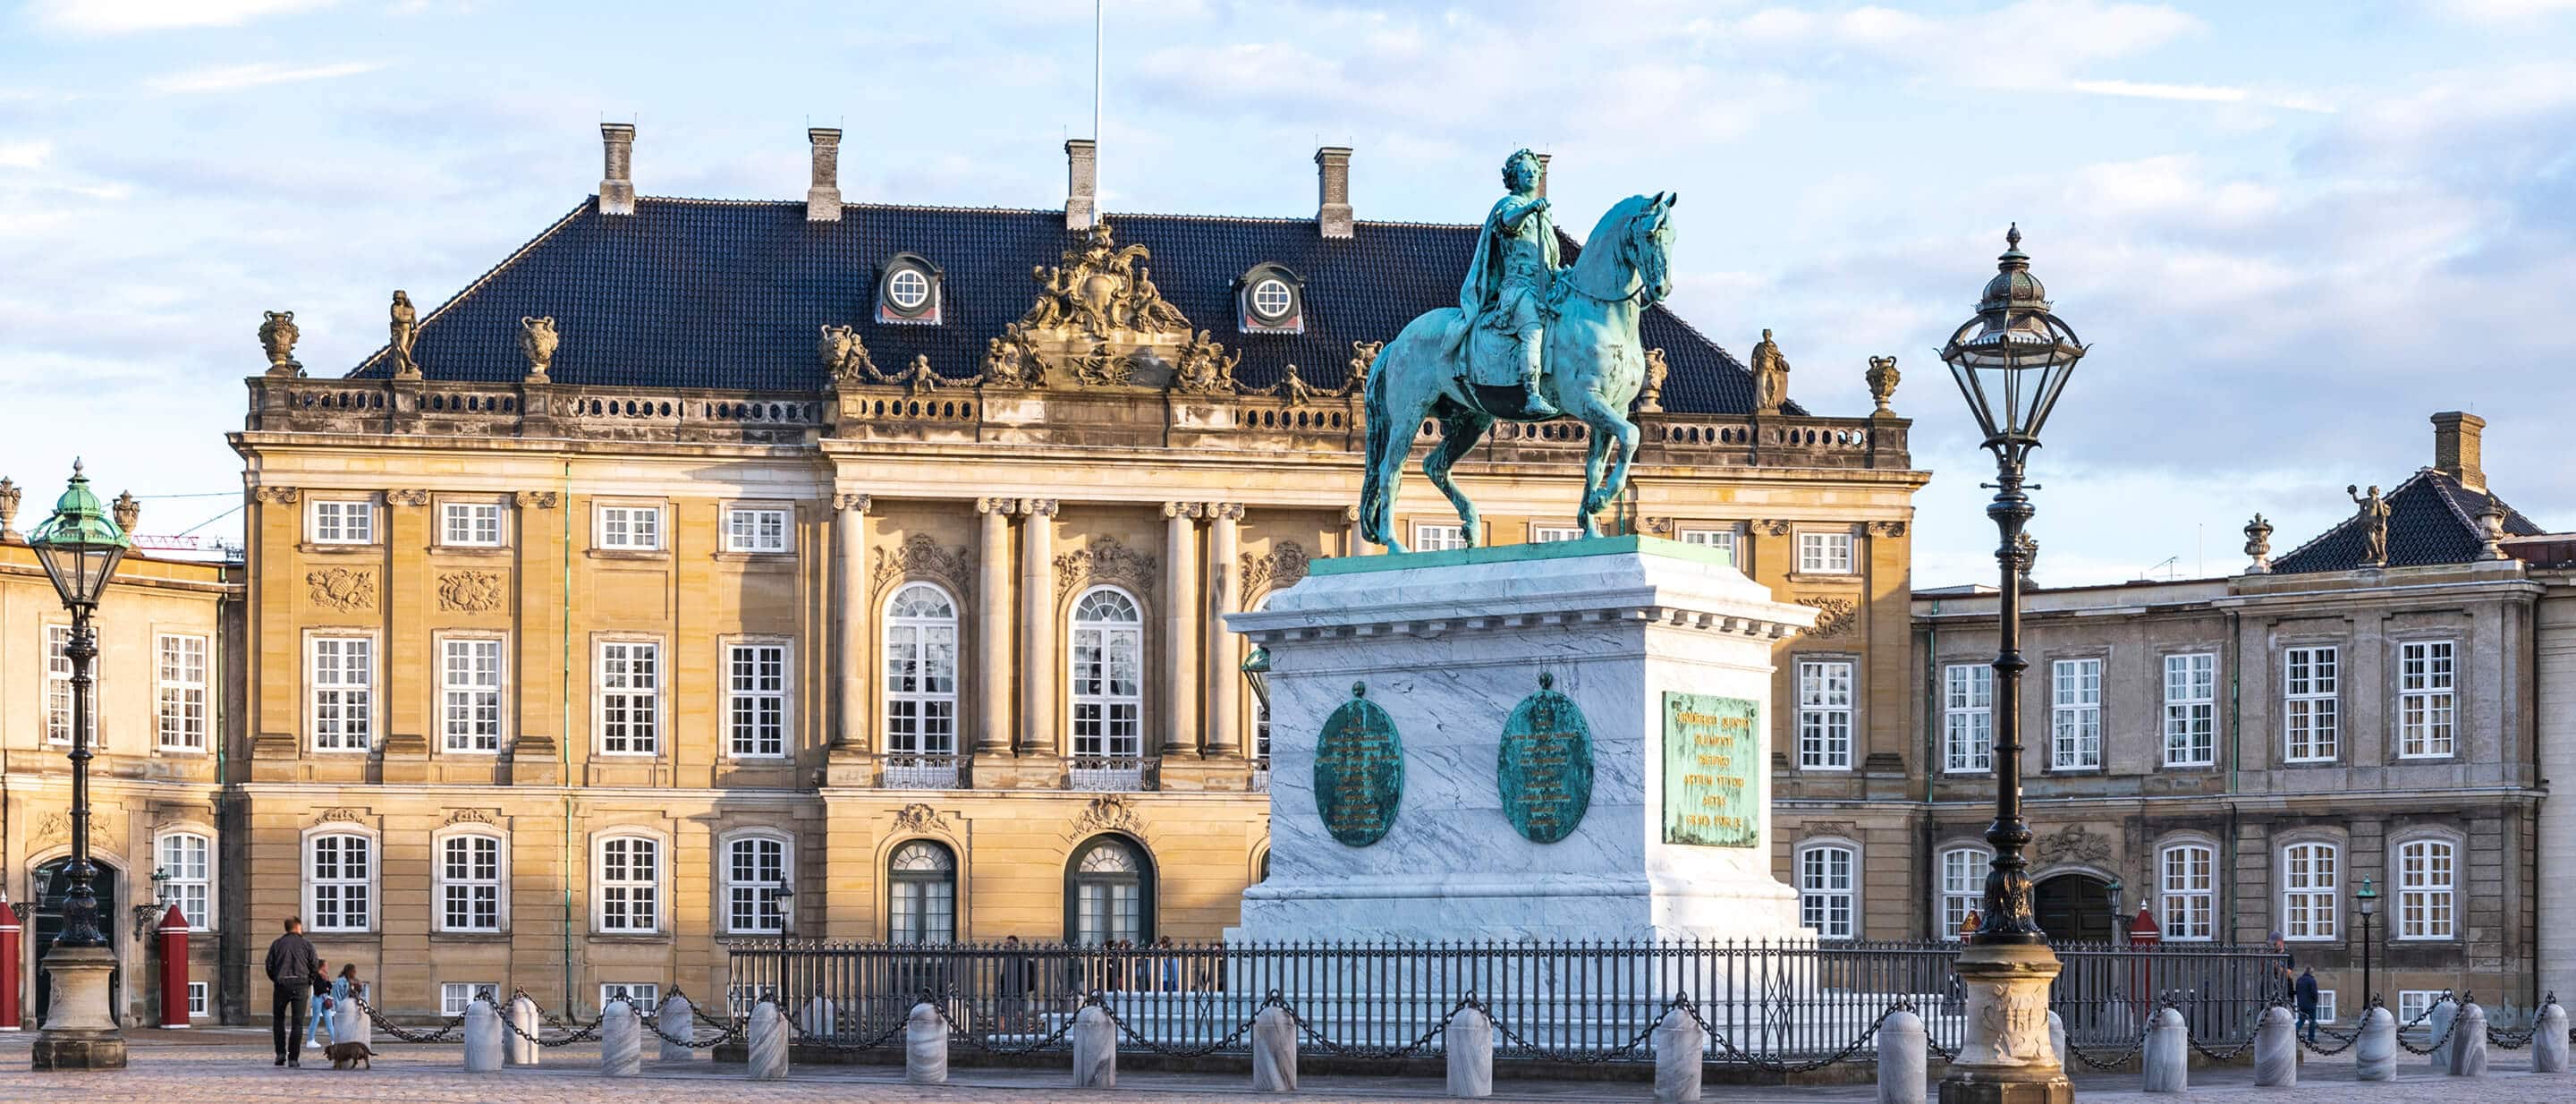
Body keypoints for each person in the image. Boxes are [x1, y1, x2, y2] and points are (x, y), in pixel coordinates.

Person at [264, 916, 324, 1066]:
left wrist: (277, 979)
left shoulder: (277, 944)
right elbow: (314, 966)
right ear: (298, 927)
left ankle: (280, 1053)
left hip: (282, 984)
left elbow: (269, 965)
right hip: (300, 984)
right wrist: (308, 981)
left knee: (279, 1021)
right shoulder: (306, 945)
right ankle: (293, 1058)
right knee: (297, 1023)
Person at [302, 957, 335, 1051]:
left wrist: (327, 981)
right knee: (315, 1019)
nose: (327, 967)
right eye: (326, 965)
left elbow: (330, 987)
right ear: (322, 966)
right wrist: (326, 988)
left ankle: (334, 1040)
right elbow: (319, 988)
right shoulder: (316, 975)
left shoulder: (325, 975)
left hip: (325, 999)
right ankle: (310, 1040)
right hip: (318, 999)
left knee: (329, 1020)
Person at [2294, 966, 2321, 1043]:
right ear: (2311, 972)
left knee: (2301, 1020)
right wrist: (2316, 1000)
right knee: (2312, 1021)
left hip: (2301, 1004)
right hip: (2311, 1004)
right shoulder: (2312, 980)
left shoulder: (2299, 980)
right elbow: (2314, 993)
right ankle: (2311, 1038)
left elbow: (2297, 992)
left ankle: (2293, 1032)